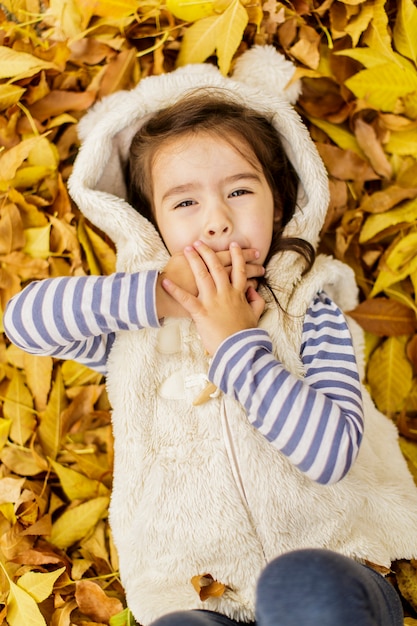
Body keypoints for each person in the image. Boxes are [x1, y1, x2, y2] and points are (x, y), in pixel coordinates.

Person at [3, 46, 417, 626]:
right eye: (186, 202)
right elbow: (24, 322)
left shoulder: (308, 308)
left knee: (305, 585)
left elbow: (330, 454)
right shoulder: (137, 330)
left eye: (241, 191)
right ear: (153, 223)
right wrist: (157, 296)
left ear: (280, 201)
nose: (218, 218)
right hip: (197, 590)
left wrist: (234, 345)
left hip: (332, 557)